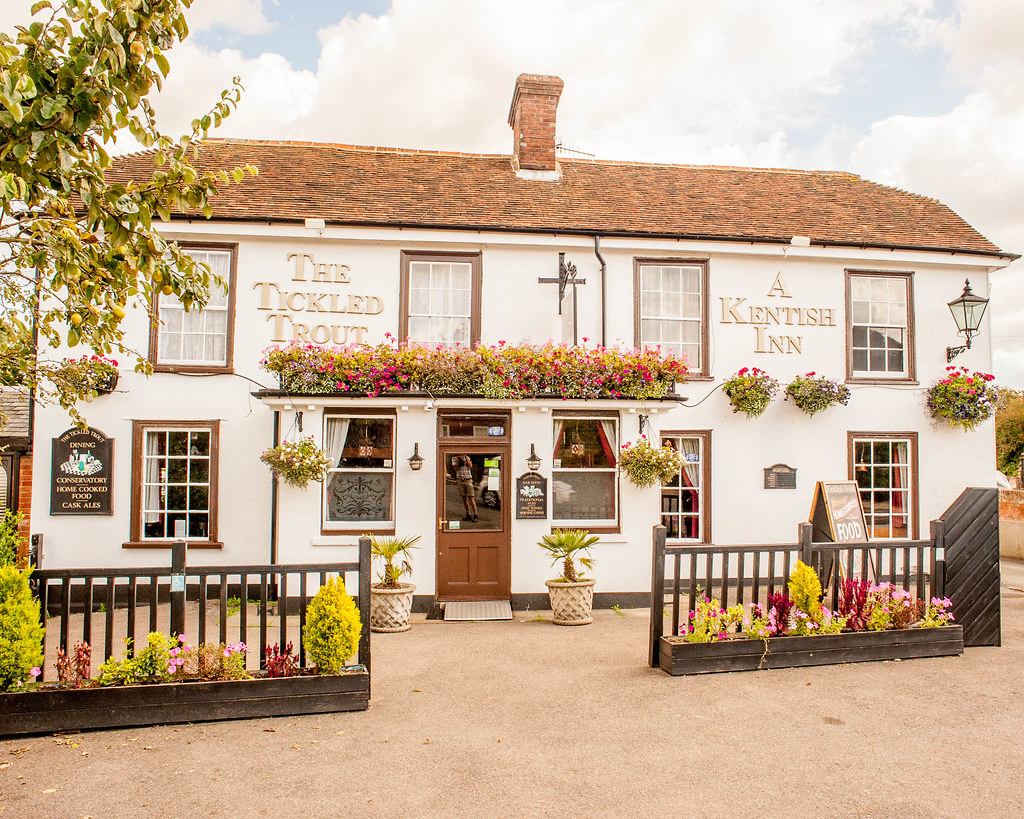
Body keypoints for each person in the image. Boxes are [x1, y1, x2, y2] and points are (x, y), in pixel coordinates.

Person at [455, 455, 478, 522]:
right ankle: (468, 513)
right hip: (460, 479)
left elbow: (470, 466)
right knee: (464, 498)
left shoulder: (467, 457)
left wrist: (466, 458)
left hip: (468, 479)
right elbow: (455, 468)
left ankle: (475, 514)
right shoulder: (454, 458)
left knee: (471, 497)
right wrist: (458, 461)